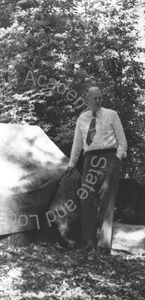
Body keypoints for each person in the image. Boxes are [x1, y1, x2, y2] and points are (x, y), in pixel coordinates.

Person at [66, 86, 127, 253]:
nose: (99, 101)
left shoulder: (111, 115)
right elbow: (77, 144)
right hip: (89, 160)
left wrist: (116, 158)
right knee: (87, 200)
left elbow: (122, 141)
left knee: (107, 203)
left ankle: (103, 246)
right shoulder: (82, 119)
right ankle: (89, 243)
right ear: (88, 100)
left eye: (101, 97)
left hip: (109, 158)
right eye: (95, 98)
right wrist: (72, 164)